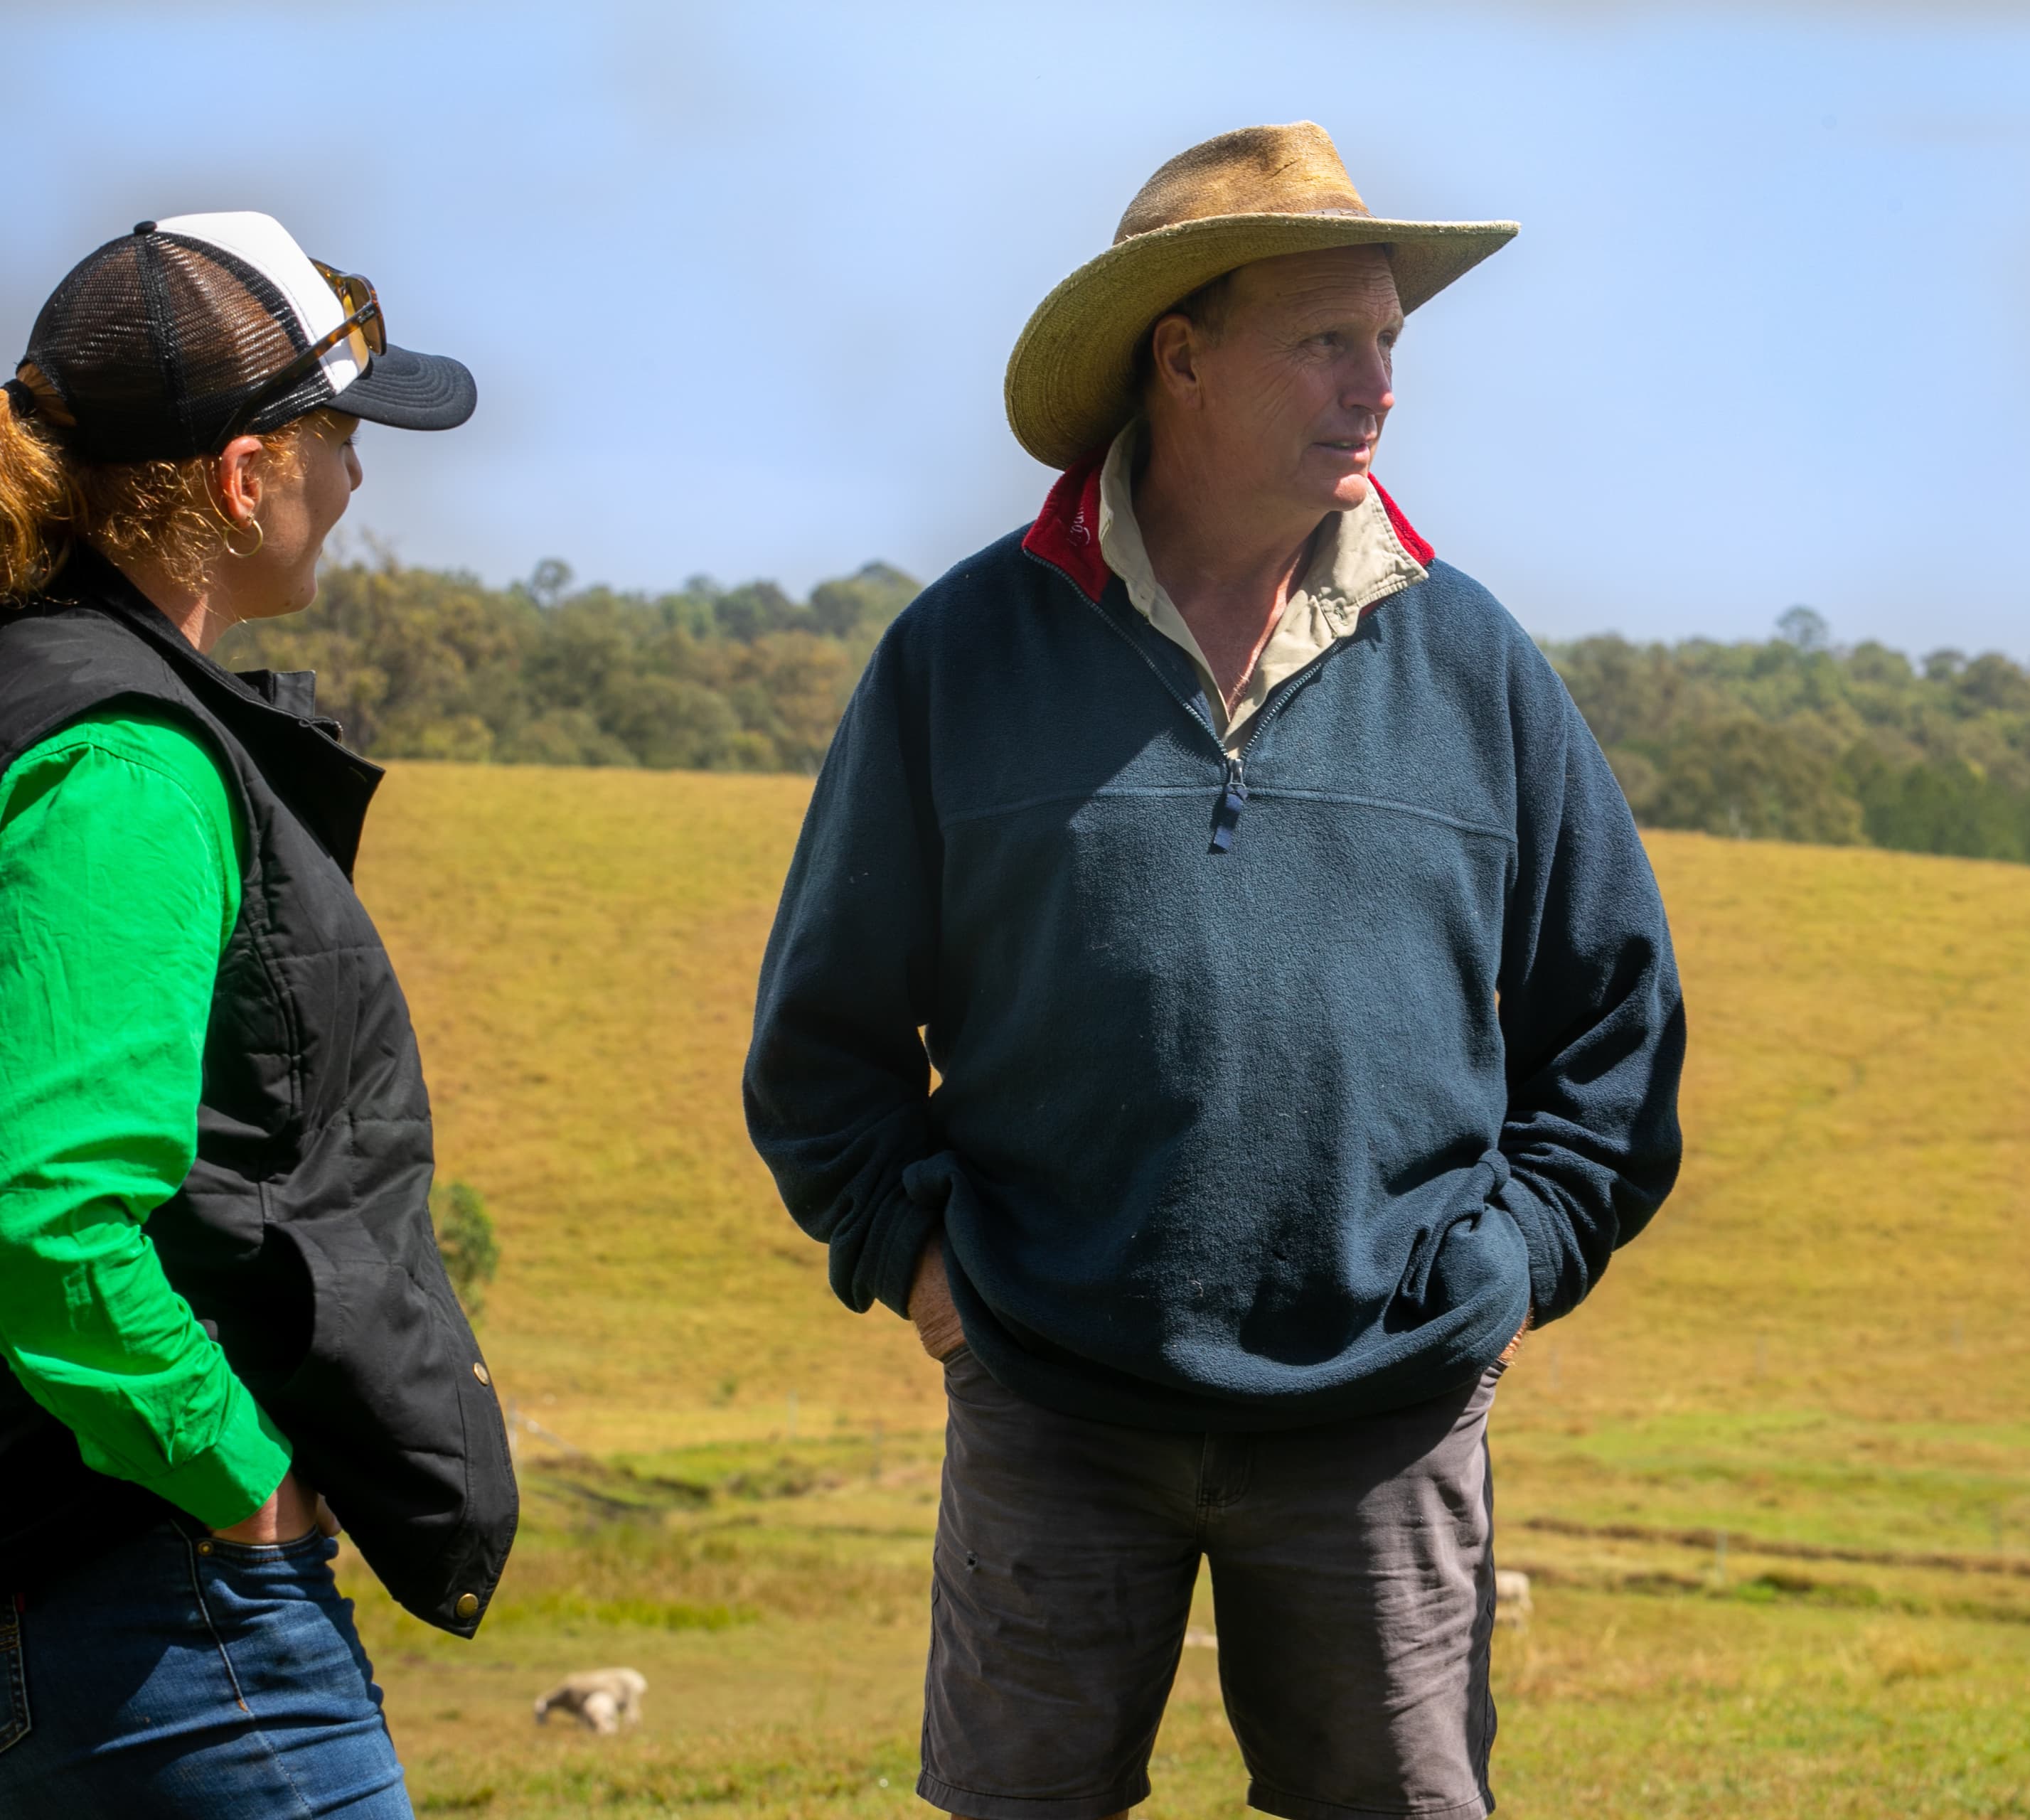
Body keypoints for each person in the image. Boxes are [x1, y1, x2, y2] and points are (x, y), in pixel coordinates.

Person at [745, 122, 1684, 1820]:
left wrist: (1508, 1268)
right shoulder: (964, 652)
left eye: (1388, 340)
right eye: (1327, 340)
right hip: (1050, 1401)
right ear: (1178, 355)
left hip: (1388, 1412)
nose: (1376, 385)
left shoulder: (1470, 659)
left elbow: (1614, 1019)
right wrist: (926, 1267)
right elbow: (822, 1033)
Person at [0, 213, 515, 1816]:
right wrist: (246, 1486)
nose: (356, 479)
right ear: (243, 477)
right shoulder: (124, 763)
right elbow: (50, 1220)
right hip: (151, 1608)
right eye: (341, 438)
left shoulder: (31, 689)